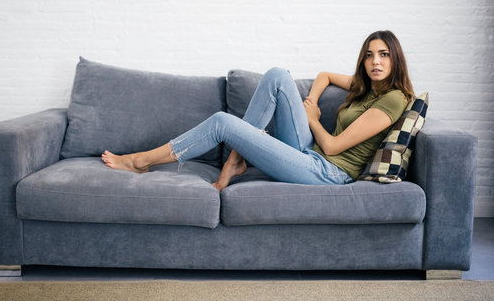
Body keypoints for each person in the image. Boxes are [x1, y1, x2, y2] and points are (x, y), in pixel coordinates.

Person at [101, 30, 414, 191]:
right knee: (278, 74)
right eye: (370, 55)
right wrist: (313, 99)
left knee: (222, 122)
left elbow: (333, 146)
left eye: (384, 55)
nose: (375, 61)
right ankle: (237, 160)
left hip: (328, 173)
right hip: (309, 153)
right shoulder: (366, 86)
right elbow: (325, 76)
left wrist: (312, 120)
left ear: (394, 60)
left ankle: (142, 161)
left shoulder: (393, 99)